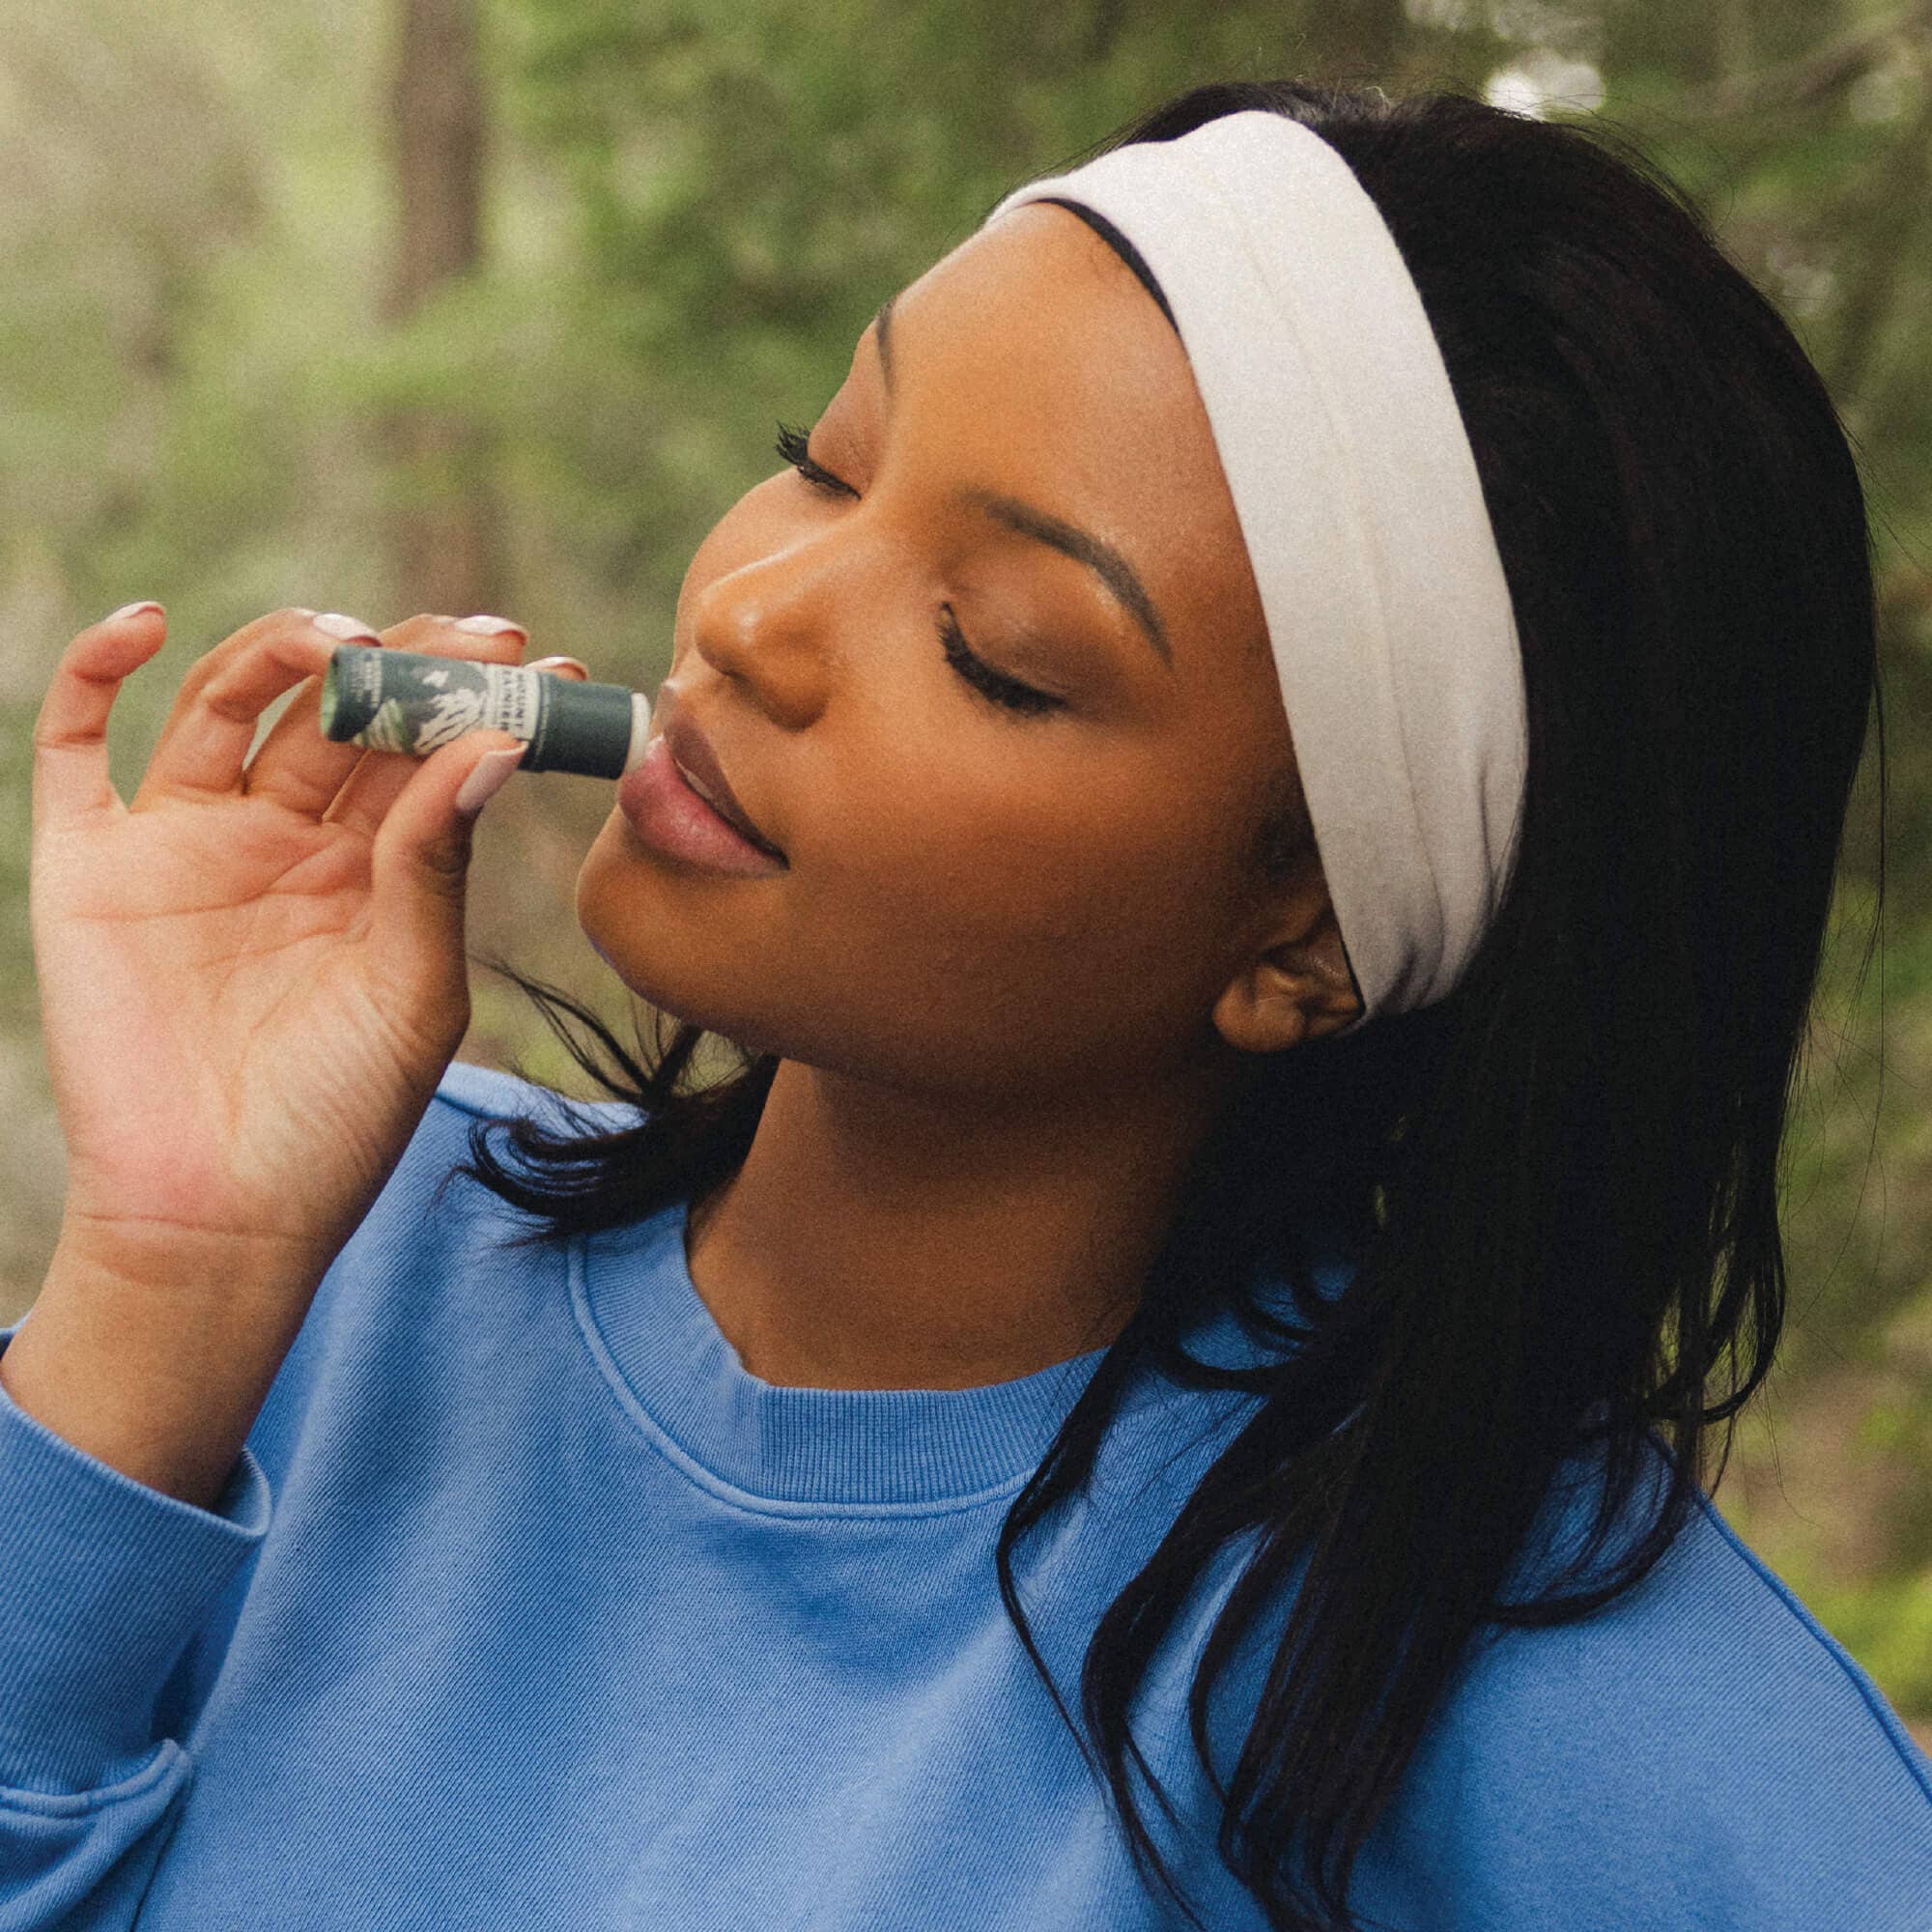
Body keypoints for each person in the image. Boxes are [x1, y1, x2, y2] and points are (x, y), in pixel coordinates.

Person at [2, 74, 1926, 1932]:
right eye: (824, 458)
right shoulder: (330, 1250)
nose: (749, 615)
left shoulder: (1557, 1703)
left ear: (1310, 943)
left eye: (997, 650)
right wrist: (167, 1280)